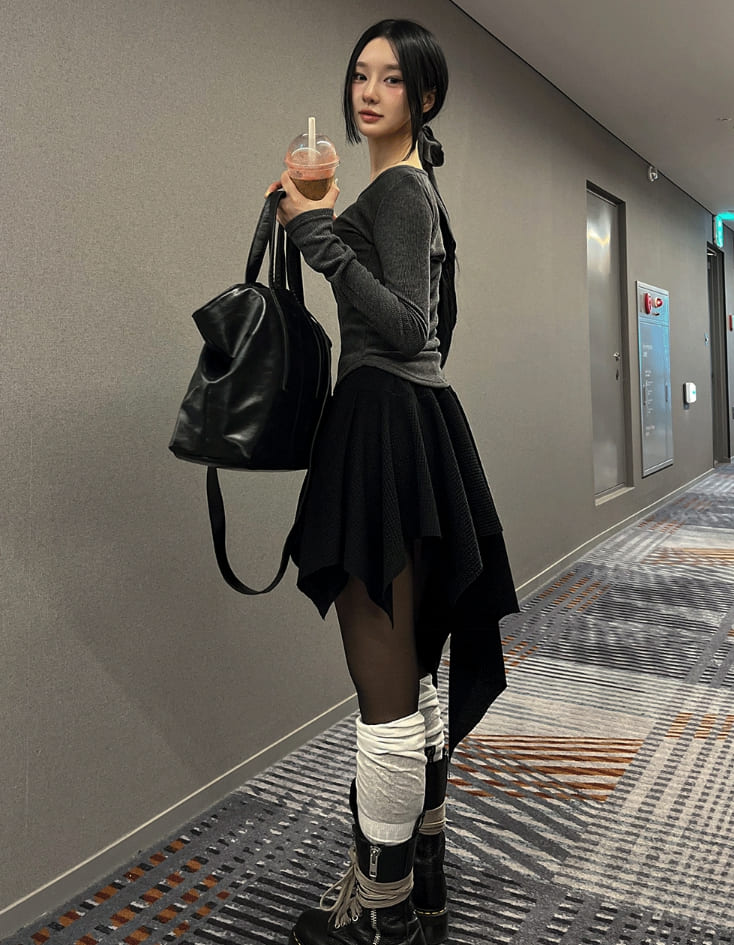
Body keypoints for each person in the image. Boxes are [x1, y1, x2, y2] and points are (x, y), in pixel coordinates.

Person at [265, 19, 518, 945]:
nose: (369, 92)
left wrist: (318, 237)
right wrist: (318, 221)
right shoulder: (408, 188)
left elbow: (410, 325)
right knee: (411, 675)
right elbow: (431, 327)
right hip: (414, 428)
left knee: (385, 698)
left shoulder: (403, 190)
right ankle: (426, 886)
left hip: (384, 427)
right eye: (360, 75)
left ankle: (385, 921)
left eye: (392, 79)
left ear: (426, 97)